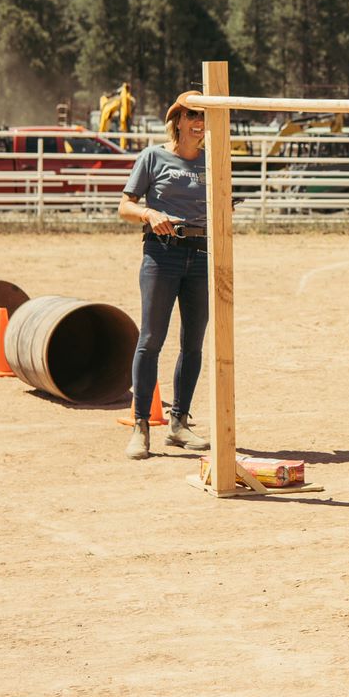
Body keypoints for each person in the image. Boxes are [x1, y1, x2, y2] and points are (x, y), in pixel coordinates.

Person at [117, 91, 212, 460]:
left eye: (204, 116)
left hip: (202, 255)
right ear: (178, 119)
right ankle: (141, 425)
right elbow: (124, 206)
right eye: (192, 115)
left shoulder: (214, 161)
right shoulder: (152, 157)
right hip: (162, 255)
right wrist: (149, 214)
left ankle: (179, 423)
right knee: (151, 338)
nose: (199, 122)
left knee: (193, 343)